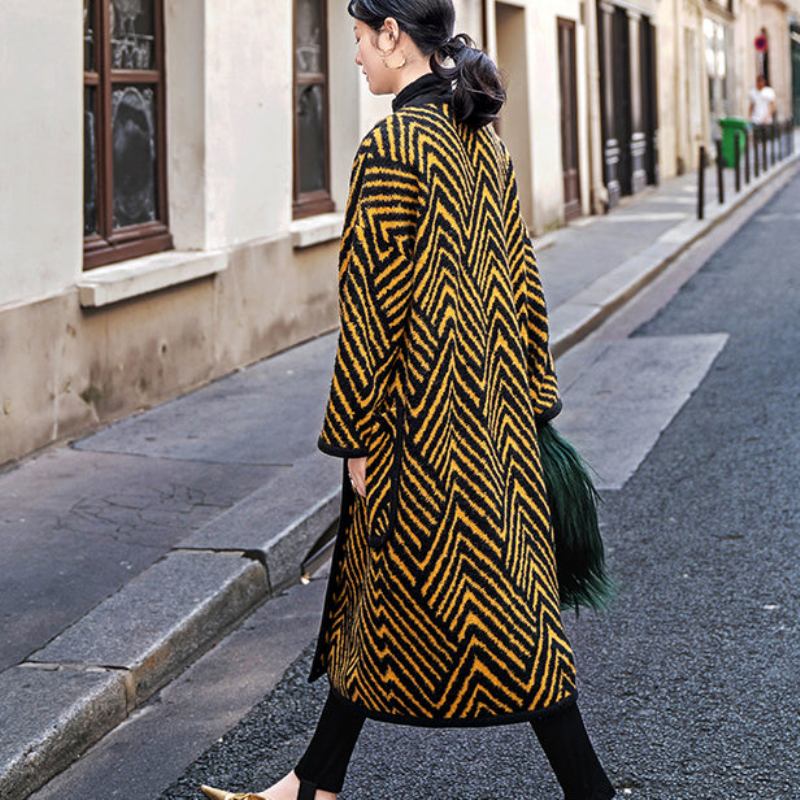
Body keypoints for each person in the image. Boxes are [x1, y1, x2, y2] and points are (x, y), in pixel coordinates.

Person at [200, 1, 616, 799]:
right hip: (491, 423)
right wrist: (535, 404)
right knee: (386, 605)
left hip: (418, 433)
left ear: (394, 34)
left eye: (358, 39)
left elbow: (372, 310)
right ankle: (310, 785)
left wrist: (355, 438)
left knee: (496, 618)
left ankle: (590, 789)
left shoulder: (392, 147)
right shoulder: (480, 140)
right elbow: (523, 283)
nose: (354, 56)